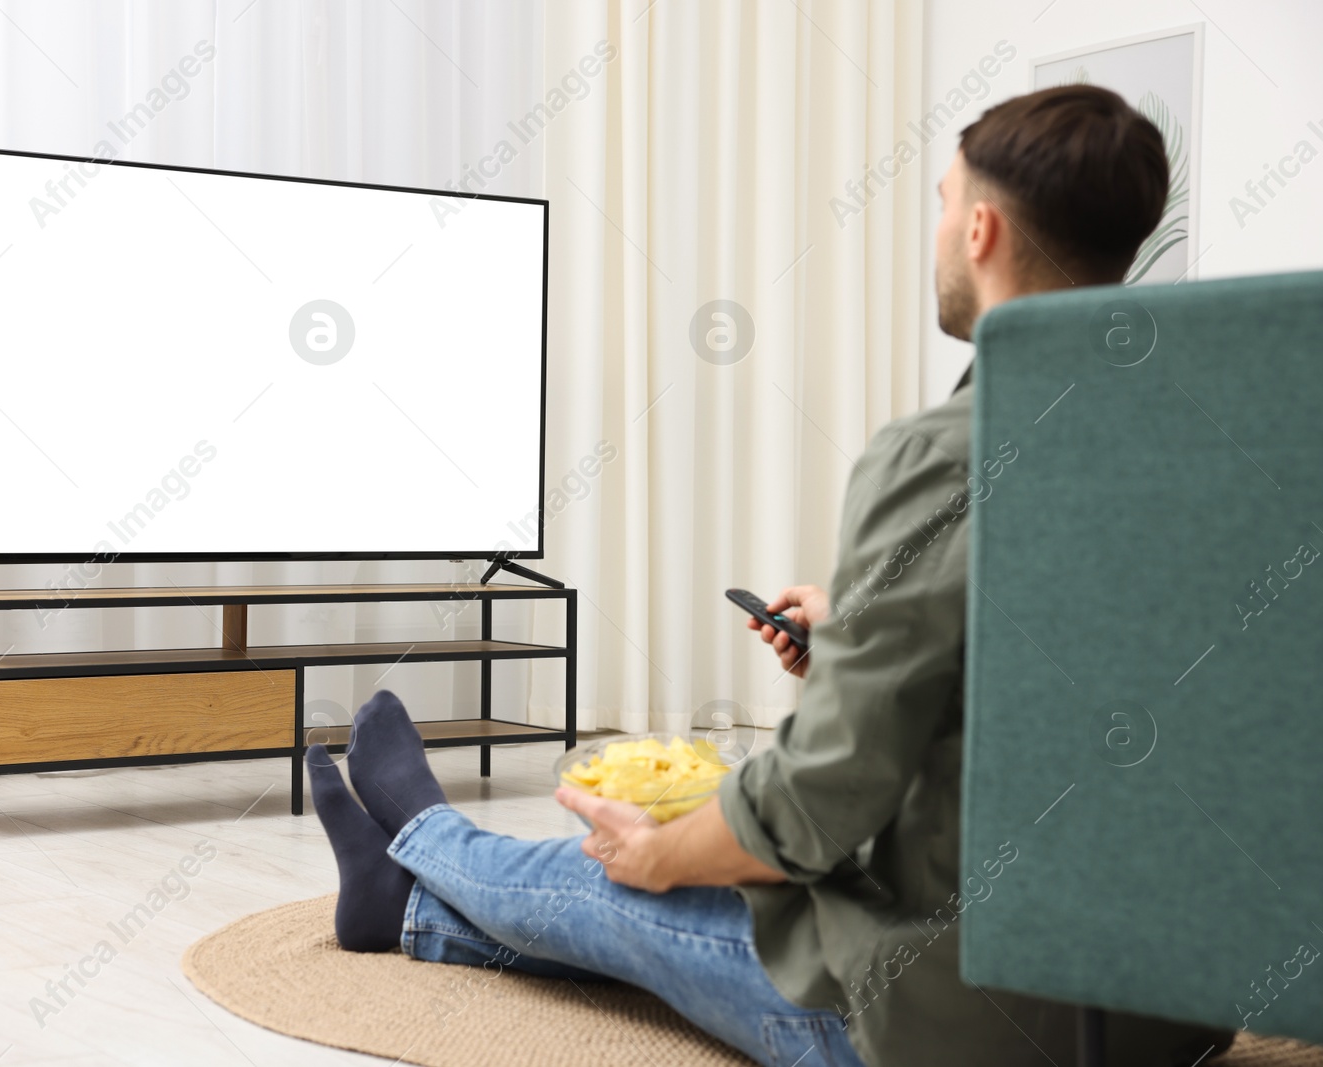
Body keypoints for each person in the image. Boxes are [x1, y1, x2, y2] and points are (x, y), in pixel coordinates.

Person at [304, 85, 1228, 1067]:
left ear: (981, 229)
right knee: (730, 814)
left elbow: (811, 809)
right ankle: (399, 906)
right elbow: (1085, 675)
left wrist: (655, 854)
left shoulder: (946, 456)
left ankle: (424, 836)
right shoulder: (1204, 446)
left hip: (947, 1028)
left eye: (943, 201)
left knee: (622, 877)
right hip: (1170, 1007)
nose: (940, 226)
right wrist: (867, 625)